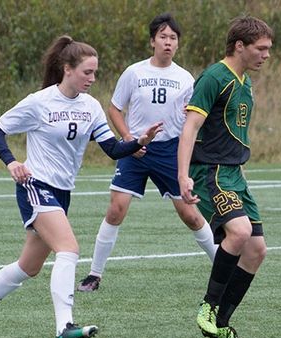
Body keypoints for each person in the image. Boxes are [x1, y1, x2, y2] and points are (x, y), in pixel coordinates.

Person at [0, 35, 162, 338]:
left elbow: (111, 149)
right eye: (87, 72)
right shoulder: (39, 101)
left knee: (28, 267)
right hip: (35, 186)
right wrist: (12, 161)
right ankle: (64, 327)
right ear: (67, 69)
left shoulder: (91, 106)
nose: (92, 79)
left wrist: (140, 141)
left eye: (95, 73)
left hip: (62, 192)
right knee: (68, 248)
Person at [77, 13, 217, 293]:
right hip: (137, 149)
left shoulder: (185, 78)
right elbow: (115, 109)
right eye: (163, 37)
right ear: (152, 41)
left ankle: (223, 268)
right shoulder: (134, 72)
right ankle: (94, 274)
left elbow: (192, 119)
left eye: (173, 38)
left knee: (190, 214)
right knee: (116, 209)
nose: (168, 42)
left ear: (178, 45)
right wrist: (130, 140)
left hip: (170, 151)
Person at [178, 16, 273, 338]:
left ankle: (221, 324)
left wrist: (242, 173)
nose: (266, 55)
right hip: (212, 172)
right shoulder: (214, 77)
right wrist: (182, 174)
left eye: (268, 49)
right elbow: (189, 128)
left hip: (234, 173)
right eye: (261, 48)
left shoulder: (245, 81)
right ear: (240, 45)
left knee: (257, 251)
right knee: (240, 232)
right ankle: (208, 305)